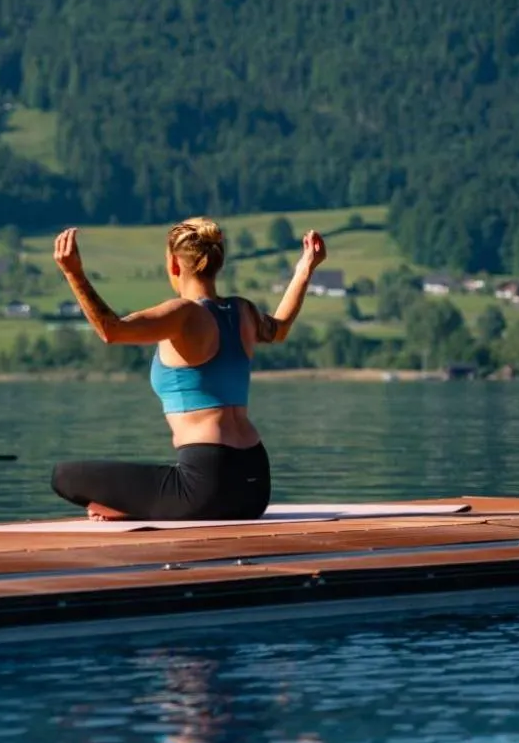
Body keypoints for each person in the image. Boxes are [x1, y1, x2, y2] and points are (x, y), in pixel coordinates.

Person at [50, 217, 327, 521]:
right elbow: (281, 327)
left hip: (207, 485)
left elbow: (111, 330)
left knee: (64, 476)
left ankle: (137, 507)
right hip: (255, 485)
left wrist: (73, 272)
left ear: (173, 264)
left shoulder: (184, 314)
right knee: (153, 486)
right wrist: (305, 268)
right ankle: (141, 506)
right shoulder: (243, 311)